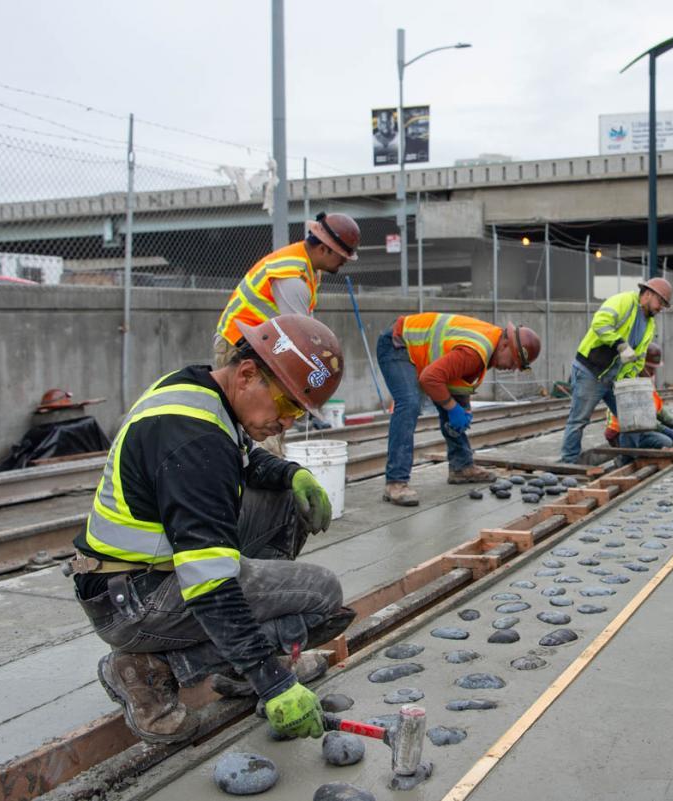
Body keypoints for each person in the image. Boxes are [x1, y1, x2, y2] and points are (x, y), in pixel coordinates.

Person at [68, 315, 355, 745]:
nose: (288, 422)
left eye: (298, 411)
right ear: (246, 373)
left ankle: (236, 662)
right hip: (134, 603)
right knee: (324, 601)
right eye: (287, 405)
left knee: (284, 503)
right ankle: (151, 671)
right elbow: (211, 584)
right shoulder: (196, 442)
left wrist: (291, 474)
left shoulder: (199, 390)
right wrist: (273, 682)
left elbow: (244, 460)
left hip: (129, 578)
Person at [213, 212, 360, 454]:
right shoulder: (293, 277)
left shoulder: (308, 267)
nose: (344, 262)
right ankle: (261, 479)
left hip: (259, 347)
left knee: (266, 425)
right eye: (343, 256)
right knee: (262, 427)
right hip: (240, 347)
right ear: (324, 249)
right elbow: (300, 338)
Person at [377, 313, 541, 506]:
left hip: (421, 354)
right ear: (505, 346)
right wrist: (452, 408)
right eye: (514, 362)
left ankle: (461, 467)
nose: (513, 369)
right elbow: (429, 379)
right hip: (397, 344)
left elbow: (456, 378)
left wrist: (463, 408)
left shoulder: (492, 344)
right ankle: (395, 482)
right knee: (409, 403)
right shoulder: (477, 351)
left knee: (454, 403)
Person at [560, 277, 672, 463]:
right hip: (591, 371)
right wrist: (620, 344)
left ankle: (626, 459)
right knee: (579, 420)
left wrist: (630, 381)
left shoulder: (650, 324)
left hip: (615, 378)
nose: (661, 308)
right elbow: (600, 323)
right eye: (660, 302)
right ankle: (568, 461)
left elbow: (639, 357)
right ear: (648, 294)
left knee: (630, 418)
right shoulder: (624, 302)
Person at [603, 343, 673, 462]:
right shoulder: (631, 381)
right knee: (660, 440)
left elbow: (656, 408)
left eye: (654, 368)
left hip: (641, 429)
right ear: (641, 365)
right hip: (622, 432)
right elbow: (640, 418)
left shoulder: (646, 382)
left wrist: (672, 422)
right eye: (650, 368)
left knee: (667, 441)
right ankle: (625, 459)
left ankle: (637, 454)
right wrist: (665, 429)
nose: (653, 372)